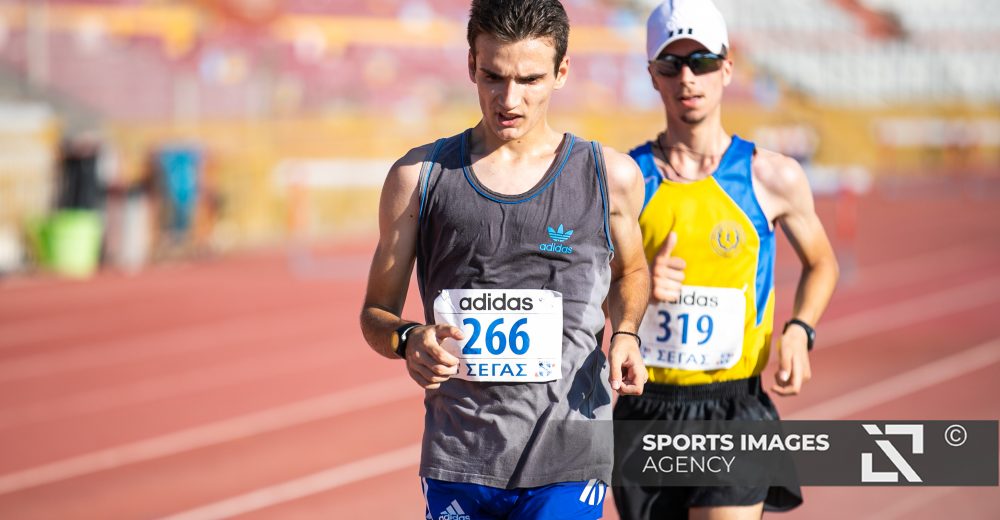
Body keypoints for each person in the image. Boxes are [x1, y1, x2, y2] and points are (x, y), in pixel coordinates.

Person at [359, 1, 651, 518]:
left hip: (570, 454)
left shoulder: (610, 176)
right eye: (493, 76)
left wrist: (626, 332)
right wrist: (407, 339)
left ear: (562, 71)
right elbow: (375, 313)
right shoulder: (418, 178)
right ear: (471, 64)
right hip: (459, 458)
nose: (509, 99)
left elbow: (630, 271)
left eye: (530, 79)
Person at [612, 1, 840, 518]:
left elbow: (822, 262)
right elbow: (593, 288)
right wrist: (638, 281)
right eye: (671, 64)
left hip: (733, 408)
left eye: (703, 61)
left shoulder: (770, 176)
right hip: (646, 408)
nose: (687, 78)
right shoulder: (626, 180)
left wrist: (801, 328)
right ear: (652, 74)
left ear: (728, 68)